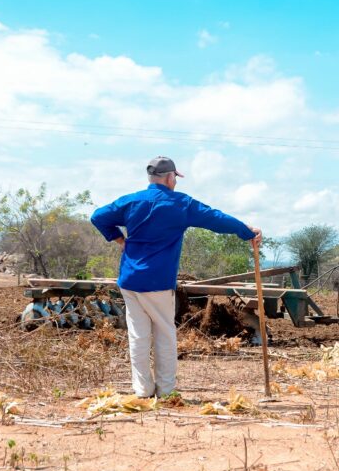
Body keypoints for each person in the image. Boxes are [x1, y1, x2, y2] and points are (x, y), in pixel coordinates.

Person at [90, 156, 262, 398]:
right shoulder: (181, 204)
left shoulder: (131, 201)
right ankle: (166, 390)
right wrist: (246, 231)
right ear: (171, 177)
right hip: (158, 282)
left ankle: (143, 390)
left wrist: (120, 240)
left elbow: (98, 216)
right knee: (164, 334)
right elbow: (216, 218)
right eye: (175, 178)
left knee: (138, 336)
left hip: (129, 280)